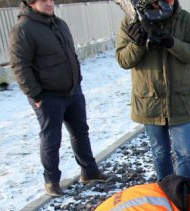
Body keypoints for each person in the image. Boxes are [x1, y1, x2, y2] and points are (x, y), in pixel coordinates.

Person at [9, 0, 112, 197]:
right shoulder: (23, 29)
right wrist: (36, 94)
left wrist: (77, 80)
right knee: (51, 138)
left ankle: (90, 172)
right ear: (31, 3)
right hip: (47, 96)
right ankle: (52, 180)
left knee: (81, 132)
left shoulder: (59, 24)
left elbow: (70, 54)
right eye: (43, 0)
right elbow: (20, 66)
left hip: (72, 91)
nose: (49, 3)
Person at [116, 0, 190, 181]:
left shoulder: (184, 19)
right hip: (150, 102)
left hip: (180, 101)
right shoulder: (131, 20)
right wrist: (137, 44)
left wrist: (171, 43)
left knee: (185, 154)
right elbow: (123, 60)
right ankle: (166, 196)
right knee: (160, 153)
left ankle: (186, 199)